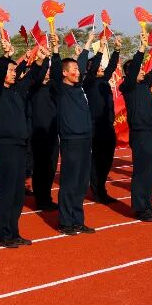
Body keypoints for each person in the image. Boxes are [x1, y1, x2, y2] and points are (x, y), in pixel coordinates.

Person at [0, 40, 49, 247]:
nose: (15, 73)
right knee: (6, 192)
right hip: (5, 146)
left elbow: (32, 76)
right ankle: (4, 234)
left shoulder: (17, 91)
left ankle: (14, 231)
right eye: (11, 70)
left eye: (15, 70)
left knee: (17, 193)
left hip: (20, 145)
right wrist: (6, 55)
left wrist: (40, 60)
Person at [50, 30, 95, 235]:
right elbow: (55, 68)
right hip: (71, 140)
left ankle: (78, 220)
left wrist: (88, 43)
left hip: (85, 139)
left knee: (82, 182)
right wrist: (55, 49)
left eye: (78, 69)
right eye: (74, 69)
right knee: (69, 182)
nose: (78, 72)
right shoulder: (60, 89)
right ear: (64, 73)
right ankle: (65, 221)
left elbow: (83, 63)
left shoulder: (79, 88)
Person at [120, 34, 152, 221]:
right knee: (142, 172)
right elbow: (134, 70)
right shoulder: (128, 86)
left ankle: (148, 206)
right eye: (139, 69)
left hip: (151, 131)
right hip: (140, 133)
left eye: (142, 69)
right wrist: (141, 48)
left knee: (150, 172)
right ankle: (140, 208)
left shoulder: (145, 84)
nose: (142, 71)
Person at [85, 37, 121, 203]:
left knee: (107, 160)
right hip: (95, 126)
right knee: (97, 159)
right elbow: (93, 69)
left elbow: (112, 66)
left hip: (108, 125)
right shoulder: (88, 81)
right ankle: (97, 190)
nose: (101, 68)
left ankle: (101, 188)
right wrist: (99, 51)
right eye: (97, 66)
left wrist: (117, 50)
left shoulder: (104, 81)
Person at [29, 51, 59, 212]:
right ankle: (41, 199)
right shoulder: (34, 87)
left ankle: (46, 197)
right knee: (41, 167)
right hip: (38, 133)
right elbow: (38, 76)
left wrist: (54, 53)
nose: (47, 72)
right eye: (45, 70)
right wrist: (45, 59)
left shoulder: (53, 87)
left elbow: (57, 75)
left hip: (53, 132)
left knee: (52, 166)